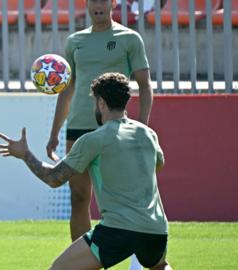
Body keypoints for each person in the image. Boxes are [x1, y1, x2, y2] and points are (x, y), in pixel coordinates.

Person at [0, 72, 171, 270]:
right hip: (156, 228)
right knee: (160, 266)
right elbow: (158, 164)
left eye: (95, 102)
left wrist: (25, 154)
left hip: (117, 228)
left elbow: (53, 178)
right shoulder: (148, 134)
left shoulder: (94, 139)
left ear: (101, 103)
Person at [46, 0, 153, 268]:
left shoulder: (130, 38)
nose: (98, 5)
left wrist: (140, 126)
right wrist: (55, 132)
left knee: (123, 198)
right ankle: (83, 262)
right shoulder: (75, 41)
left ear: (113, 4)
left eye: (103, 0)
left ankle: (144, 260)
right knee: (78, 197)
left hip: (114, 129)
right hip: (78, 129)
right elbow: (67, 90)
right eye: (93, 1)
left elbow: (144, 85)